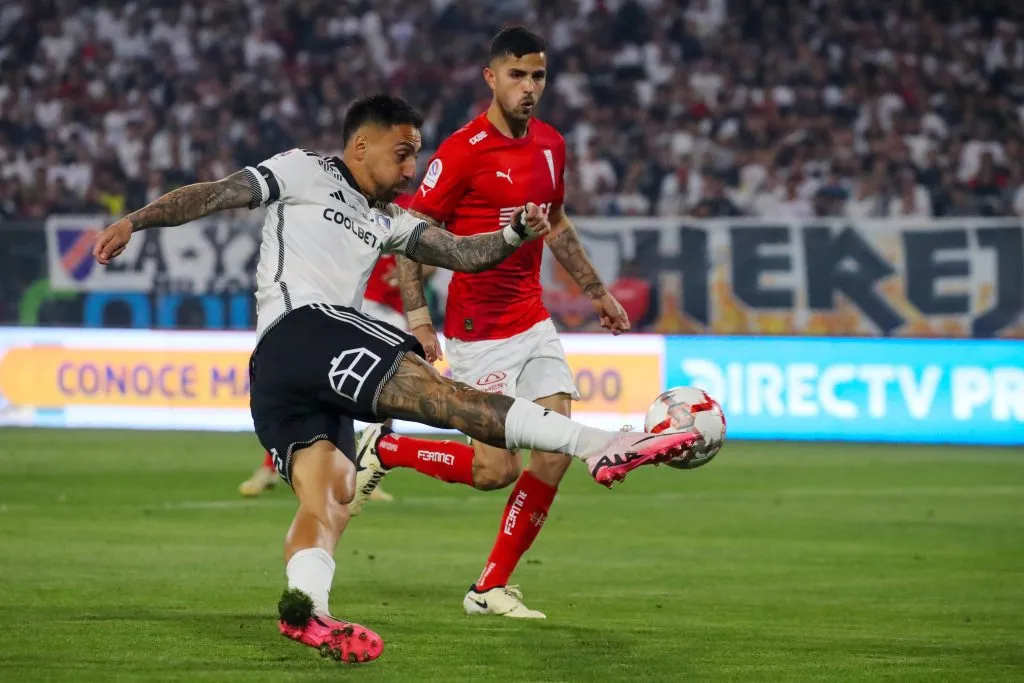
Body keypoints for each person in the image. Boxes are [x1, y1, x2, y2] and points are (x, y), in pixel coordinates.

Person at [92, 94, 700, 665]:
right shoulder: (302, 170)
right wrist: (136, 222)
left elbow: (462, 252)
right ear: (361, 146)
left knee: (330, 493)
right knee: (448, 400)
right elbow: (220, 193)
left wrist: (516, 233)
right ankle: (604, 445)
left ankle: (310, 613)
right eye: (403, 152)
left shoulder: (388, 220)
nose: (412, 168)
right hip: (303, 328)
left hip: (287, 377)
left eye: (416, 154)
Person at [350, 27, 631, 619]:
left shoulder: (552, 144)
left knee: (553, 452)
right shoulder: (462, 151)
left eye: (539, 76)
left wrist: (595, 289)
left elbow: (556, 223)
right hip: (479, 332)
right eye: (517, 76)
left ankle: (489, 587)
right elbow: (409, 239)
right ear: (491, 78)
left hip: (533, 318)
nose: (530, 88)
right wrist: (420, 320)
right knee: (493, 470)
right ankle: (389, 448)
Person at [237, 192, 429, 501]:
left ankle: (370, 470)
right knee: (322, 385)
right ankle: (271, 465)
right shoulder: (348, 197)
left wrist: (408, 275)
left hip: (391, 310)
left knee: (385, 391)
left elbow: (427, 257)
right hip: (353, 303)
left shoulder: (413, 206)